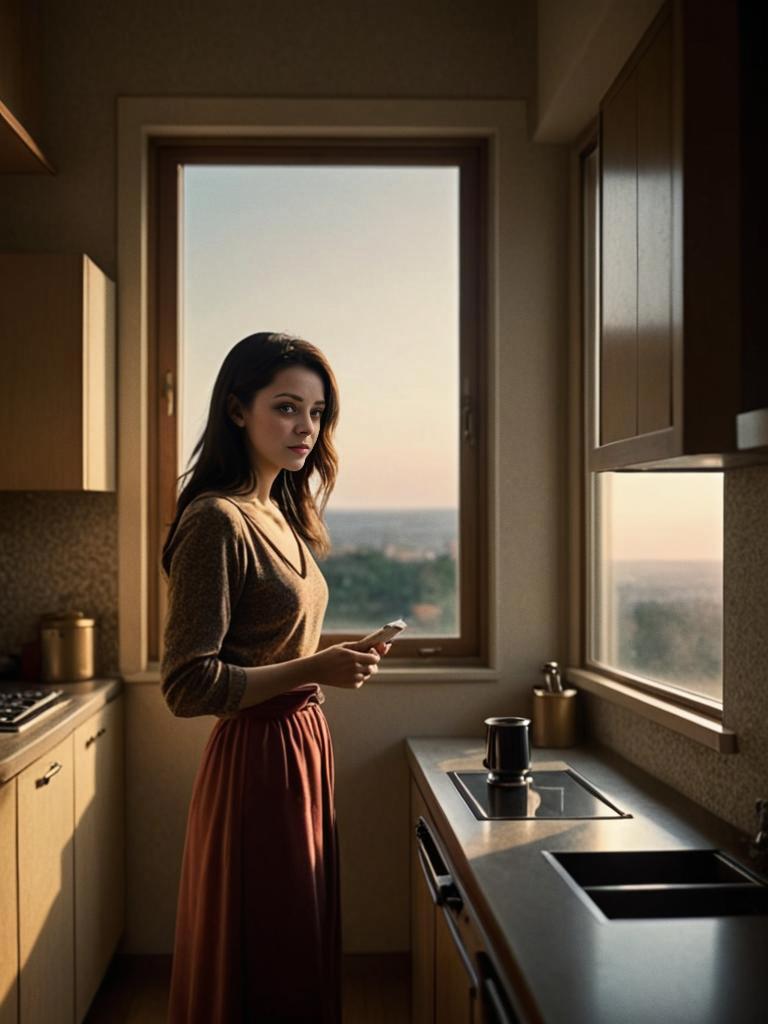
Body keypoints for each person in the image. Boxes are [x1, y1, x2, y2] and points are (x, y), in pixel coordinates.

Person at [160, 331, 391, 1023]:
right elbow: (187, 684)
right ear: (237, 410)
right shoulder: (217, 523)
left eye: (316, 413)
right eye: (287, 408)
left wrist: (326, 663)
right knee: (265, 950)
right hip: (258, 761)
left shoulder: (283, 514)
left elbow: (272, 645)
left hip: (300, 749)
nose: (305, 428)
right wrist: (317, 668)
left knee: (293, 940)